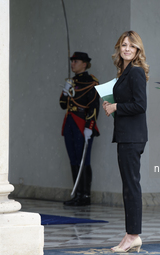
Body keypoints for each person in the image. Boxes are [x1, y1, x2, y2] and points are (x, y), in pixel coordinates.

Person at [103, 31, 149, 253]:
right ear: (119, 48)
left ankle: (133, 235)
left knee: (131, 186)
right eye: (123, 45)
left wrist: (116, 107)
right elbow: (128, 102)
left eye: (131, 46)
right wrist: (111, 105)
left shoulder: (136, 72)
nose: (127, 49)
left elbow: (141, 106)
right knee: (129, 186)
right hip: (125, 136)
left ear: (138, 50)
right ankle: (130, 234)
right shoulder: (124, 73)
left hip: (132, 137)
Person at [59, 52, 100, 206]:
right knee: (74, 160)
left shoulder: (92, 82)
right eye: (72, 61)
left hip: (82, 123)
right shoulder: (71, 82)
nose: (73, 64)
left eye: (76, 61)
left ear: (84, 64)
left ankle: (85, 196)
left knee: (84, 160)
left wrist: (89, 127)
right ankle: (77, 194)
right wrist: (65, 91)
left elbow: (94, 107)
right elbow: (63, 105)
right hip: (70, 122)